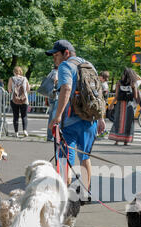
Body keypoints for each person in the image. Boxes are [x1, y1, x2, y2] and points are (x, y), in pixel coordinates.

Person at [46, 40, 105, 201]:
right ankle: (86, 192)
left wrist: (57, 116)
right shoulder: (89, 65)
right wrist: (100, 117)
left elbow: (66, 88)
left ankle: (63, 198)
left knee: (65, 158)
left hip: (71, 121)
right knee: (85, 157)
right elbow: (97, 93)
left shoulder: (65, 66)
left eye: (56, 55)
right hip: (90, 119)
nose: (54, 59)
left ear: (66, 53)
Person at [108, 68, 140, 146]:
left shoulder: (119, 83)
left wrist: (111, 104)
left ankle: (117, 140)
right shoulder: (133, 83)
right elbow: (135, 96)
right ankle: (126, 141)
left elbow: (116, 95)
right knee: (128, 122)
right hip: (129, 105)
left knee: (118, 121)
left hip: (120, 104)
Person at [8, 66, 30, 138]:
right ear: (21, 72)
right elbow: (28, 89)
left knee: (15, 116)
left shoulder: (11, 79)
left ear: (14, 72)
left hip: (14, 99)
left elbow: (9, 90)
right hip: (24, 100)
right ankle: (25, 130)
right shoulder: (25, 79)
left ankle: (16, 132)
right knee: (24, 116)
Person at [46, 65, 59, 142]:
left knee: (51, 115)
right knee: (53, 116)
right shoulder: (56, 73)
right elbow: (56, 81)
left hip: (50, 96)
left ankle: (49, 135)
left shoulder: (50, 73)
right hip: (55, 96)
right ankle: (51, 136)